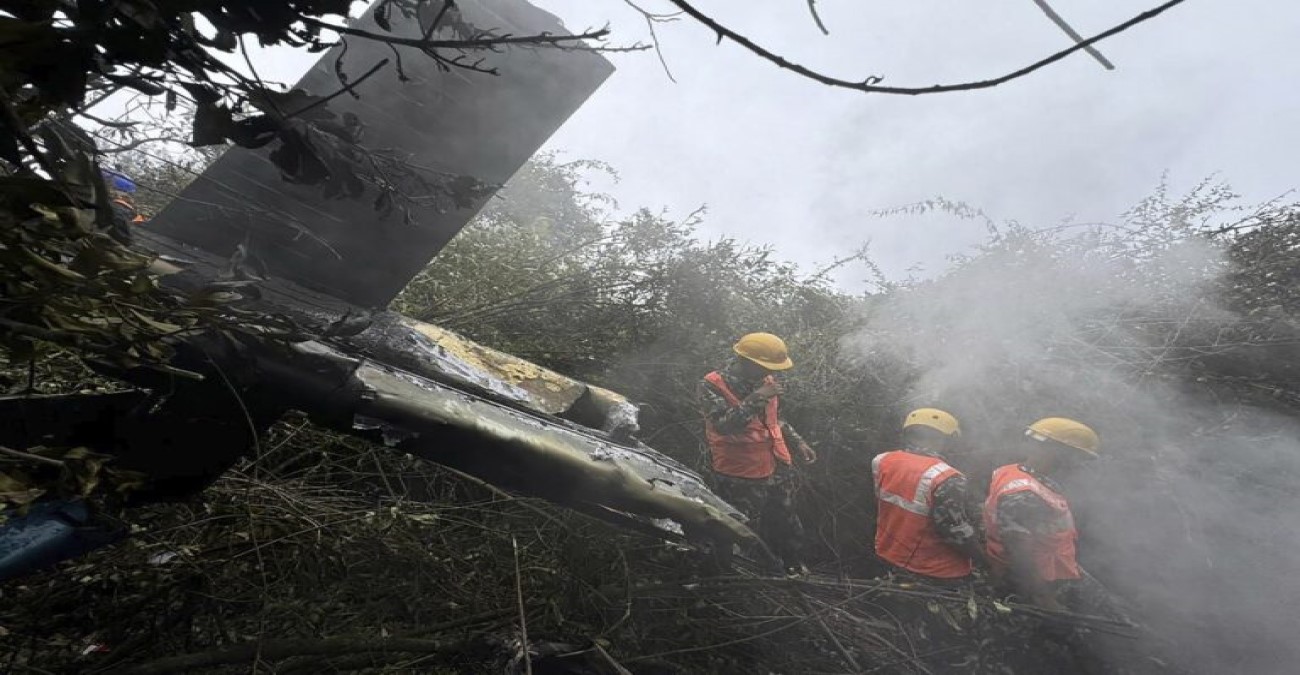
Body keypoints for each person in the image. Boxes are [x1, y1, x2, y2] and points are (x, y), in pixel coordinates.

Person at [698, 332, 816, 574]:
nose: (771, 372)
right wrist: (755, 398)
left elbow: (774, 420)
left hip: (776, 465)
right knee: (736, 526)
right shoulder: (712, 384)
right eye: (765, 366)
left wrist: (798, 441)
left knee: (785, 519)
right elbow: (724, 425)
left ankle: (790, 567)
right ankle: (728, 576)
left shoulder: (766, 381)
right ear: (747, 362)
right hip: (739, 472)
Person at [984, 417, 1098, 610]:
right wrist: (1043, 598)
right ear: (1058, 453)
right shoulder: (1025, 494)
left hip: (1052, 569)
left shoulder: (1015, 472)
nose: (1079, 465)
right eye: (1078, 458)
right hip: (1033, 581)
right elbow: (1019, 552)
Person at [871, 408, 984, 582]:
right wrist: (985, 559)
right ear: (948, 439)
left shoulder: (882, 460)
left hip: (889, 555)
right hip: (936, 570)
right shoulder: (947, 477)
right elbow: (955, 533)